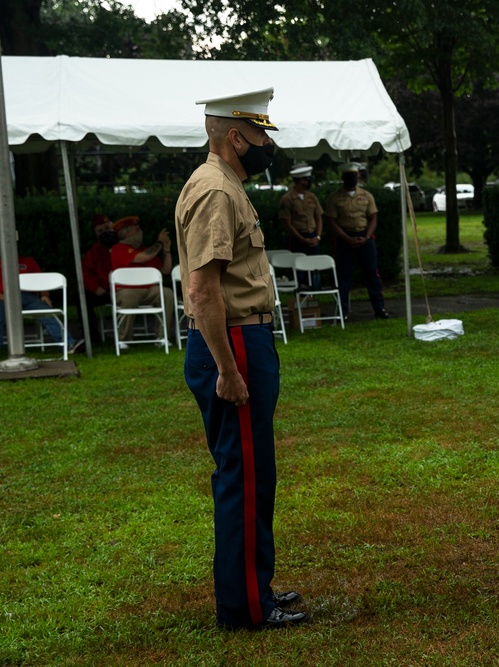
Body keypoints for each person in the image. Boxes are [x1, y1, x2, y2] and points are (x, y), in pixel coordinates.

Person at [174, 87, 307, 630]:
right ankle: (247, 605)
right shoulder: (215, 190)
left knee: (251, 473)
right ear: (236, 136)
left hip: (240, 342)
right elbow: (203, 290)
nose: (267, 143)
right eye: (260, 134)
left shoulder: (225, 184)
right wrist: (228, 369)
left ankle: (254, 587)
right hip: (232, 344)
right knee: (244, 476)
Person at [325, 162, 389, 320]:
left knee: (372, 274)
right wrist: (347, 238)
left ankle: (379, 308)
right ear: (343, 178)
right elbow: (332, 221)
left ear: (358, 177)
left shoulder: (366, 195)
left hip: (364, 236)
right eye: (348, 176)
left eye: (354, 176)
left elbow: (373, 217)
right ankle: (343, 312)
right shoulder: (335, 197)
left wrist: (366, 236)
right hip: (344, 238)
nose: (351, 179)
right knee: (344, 276)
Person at [109, 215, 175, 348]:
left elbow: (165, 270)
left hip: (150, 289)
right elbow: (145, 257)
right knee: (129, 298)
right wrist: (159, 242)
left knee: (167, 294)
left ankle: (162, 337)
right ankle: (124, 339)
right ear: (127, 233)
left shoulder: (144, 249)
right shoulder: (118, 249)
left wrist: (166, 250)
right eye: (136, 229)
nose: (140, 232)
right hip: (127, 289)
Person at [0, 255, 83, 354]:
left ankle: (68, 344)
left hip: (26, 296)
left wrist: (44, 295)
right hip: (3, 296)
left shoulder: (28, 261)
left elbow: (40, 278)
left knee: (48, 314)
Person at [279, 162, 324, 289]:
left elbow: (318, 217)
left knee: (315, 267)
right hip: (297, 238)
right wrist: (302, 239)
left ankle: (315, 294)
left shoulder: (312, 197)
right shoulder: (288, 199)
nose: (308, 182)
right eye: (306, 180)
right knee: (300, 270)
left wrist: (318, 237)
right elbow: (286, 223)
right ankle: (301, 295)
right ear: (300, 181)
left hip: (313, 236)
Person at [81, 213, 116, 343]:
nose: (105, 233)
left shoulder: (123, 247)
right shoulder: (93, 252)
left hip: (122, 289)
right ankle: (92, 338)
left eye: (107, 228)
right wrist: (96, 288)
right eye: (100, 231)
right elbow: (86, 273)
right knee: (82, 300)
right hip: (103, 291)